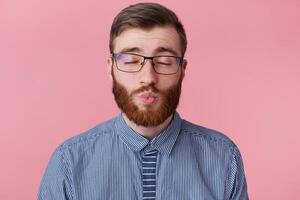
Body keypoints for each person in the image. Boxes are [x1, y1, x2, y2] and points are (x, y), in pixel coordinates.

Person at [38, 2, 248, 200]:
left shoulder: (223, 158)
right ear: (110, 68)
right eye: (130, 60)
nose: (148, 77)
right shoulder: (69, 162)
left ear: (182, 70)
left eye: (164, 62)